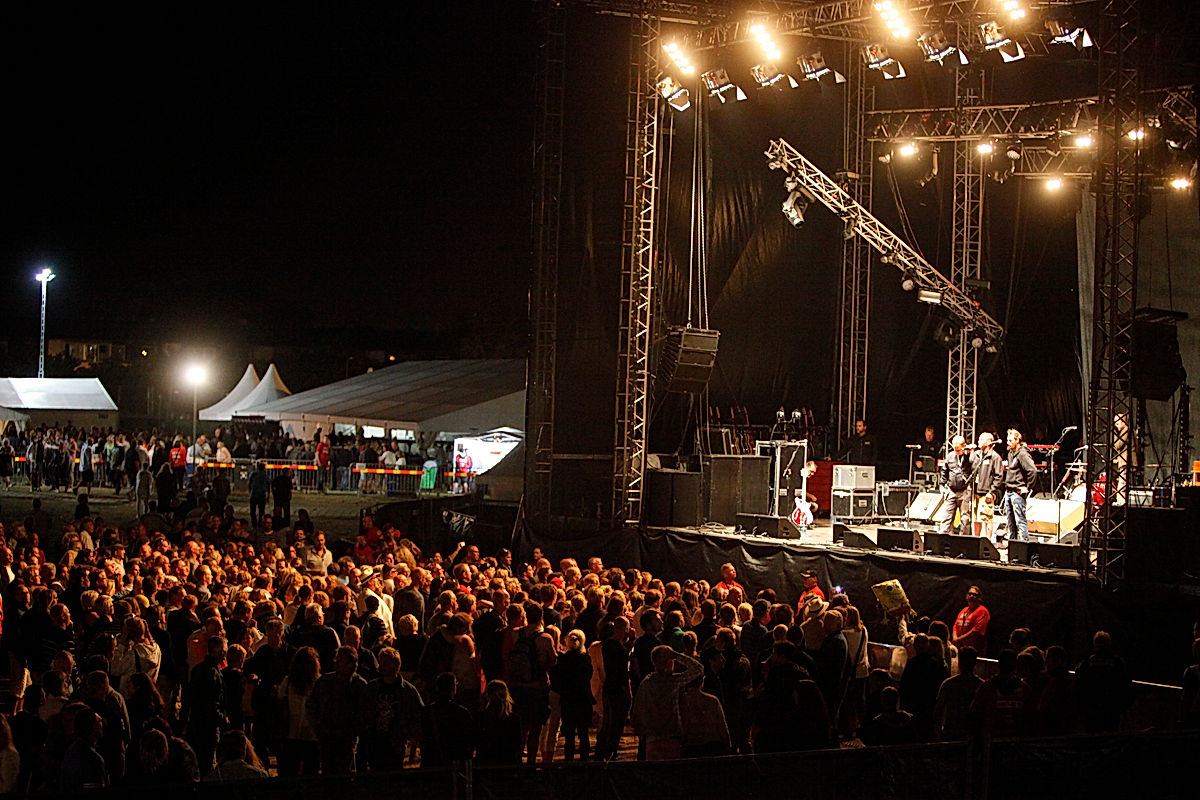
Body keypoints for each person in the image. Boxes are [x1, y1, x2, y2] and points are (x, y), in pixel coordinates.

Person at [630, 645, 703, 760]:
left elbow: (638, 708)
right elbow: (698, 669)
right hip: (672, 735)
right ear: (669, 662)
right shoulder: (673, 681)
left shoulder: (646, 683)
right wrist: (677, 655)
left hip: (652, 736)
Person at [999, 428, 1037, 546]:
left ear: (1017, 440)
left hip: (1017, 491)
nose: (1008, 442)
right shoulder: (1011, 453)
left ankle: (1024, 546)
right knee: (1011, 523)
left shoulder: (1023, 454)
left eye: (1011, 440)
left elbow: (1032, 470)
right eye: (1008, 440)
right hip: (1009, 490)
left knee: (1020, 521)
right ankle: (1013, 546)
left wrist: (1028, 487)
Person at [937, 435, 974, 535]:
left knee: (965, 518)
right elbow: (944, 471)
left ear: (963, 446)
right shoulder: (950, 456)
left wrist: (969, 453)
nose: (957, 451)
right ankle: (944, 537)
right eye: (955, 449)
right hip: (951, 490)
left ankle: (964, 541)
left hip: (964, 491)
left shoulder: (970, 456)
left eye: (959, 449)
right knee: (947, 517)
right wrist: (941, 486)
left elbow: (975, 467)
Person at [971, 432, 1003, 538]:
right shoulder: (976, 455)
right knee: (976, 519)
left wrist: (992, 491)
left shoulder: (995, 457)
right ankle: (976, 540)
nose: (978, 442)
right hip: (975, 491)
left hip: (987, 493)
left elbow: (998, 476)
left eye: (981, 440)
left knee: (987, 518)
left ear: (989, 442)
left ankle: (988, 542)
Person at [951, 586, 989, 656]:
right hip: (960, 650)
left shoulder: (983, 611)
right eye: (970, 594)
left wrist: (958, 639)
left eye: (974, 594)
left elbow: (976, 631)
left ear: (979, 597)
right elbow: (955, 626)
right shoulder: (964, 610)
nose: (971, 596)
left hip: (974, 651)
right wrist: (954, 638)